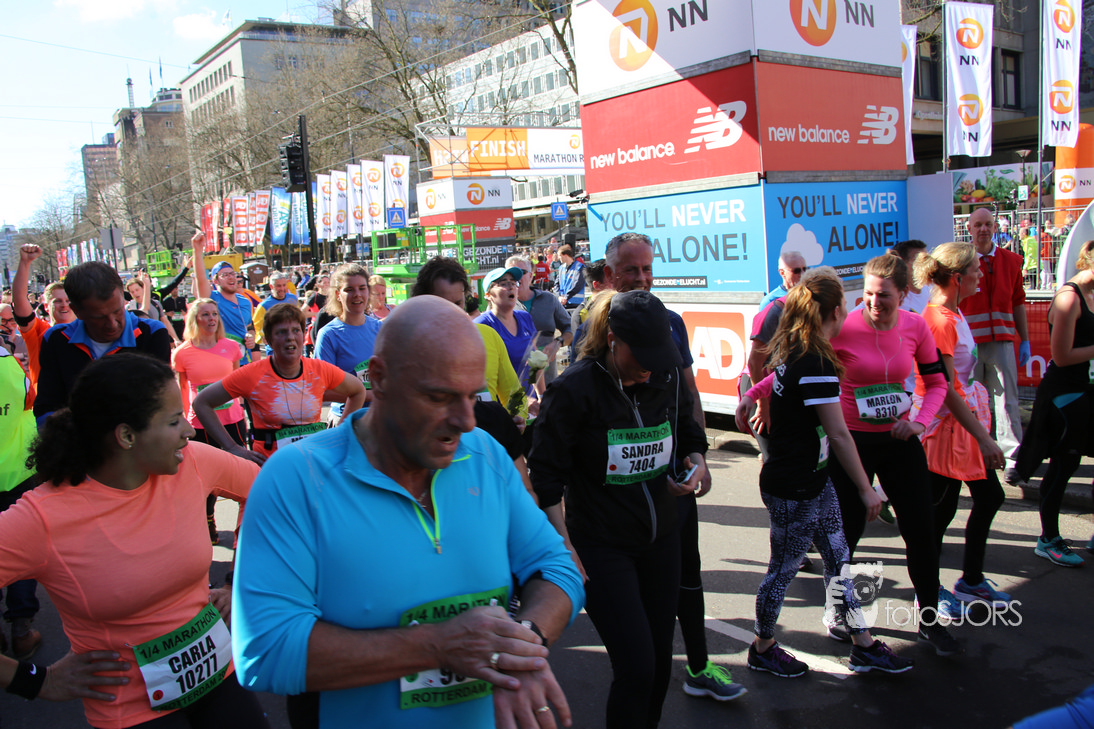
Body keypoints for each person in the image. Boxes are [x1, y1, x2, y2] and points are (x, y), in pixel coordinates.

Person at [231, 296, 583, 728]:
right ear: (379, 379)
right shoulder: (295, 478)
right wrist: (437, 646)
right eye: (439, 397)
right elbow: (265, 651)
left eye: (471, 396)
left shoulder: (485, 454)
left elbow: (557, 567)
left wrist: (521, 643)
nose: (466, 421)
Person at [0, 354, 268, 729]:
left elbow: (269, 496)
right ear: (126, 436)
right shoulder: (42, 518)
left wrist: (236, 582)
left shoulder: (190, 462)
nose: (189, 432)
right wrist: (36, 681)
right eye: (173, 421)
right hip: (130, 709)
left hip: (219, 675)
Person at [530, 290, 709, 727]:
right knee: (637, 667)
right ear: (612, 340)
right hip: (602, 546)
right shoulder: (575, 389)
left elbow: (686, 428)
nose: (649, 367)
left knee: (660, 662)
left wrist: (696, 463)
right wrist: (564, 545)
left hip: (661, 539)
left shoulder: (663, 375)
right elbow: (545, 477)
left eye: (657, 357)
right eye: (640, 357)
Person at [734, 268, 913, 677]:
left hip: (814, 480)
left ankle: (863, 644)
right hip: (793, 487)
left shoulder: (803, 350)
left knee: (838, 557)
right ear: (835, 311)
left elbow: (776, 379)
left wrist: (752, 394)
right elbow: (839, 433)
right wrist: (867, 489)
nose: (850, 310)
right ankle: (762, 648)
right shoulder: (814, 360)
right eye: (846, 303)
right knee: (783, 569)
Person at [601, 231, 727, 699]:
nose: (642, 278)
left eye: (647, 269)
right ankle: (639, 678)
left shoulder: (671, 322)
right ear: (610, 274)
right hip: (622, 493)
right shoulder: (595, 325)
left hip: (673, 479)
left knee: (687, 572)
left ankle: (699, 667)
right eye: (631, 270)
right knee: (638, 599)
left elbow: (688, 395)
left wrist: (699, 457)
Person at [826, 255, 961, 654]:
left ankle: (930, 620)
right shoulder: (844, 327)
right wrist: (759, 394)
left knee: (922, 531)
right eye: (868, 293)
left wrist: (920, 422)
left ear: (903, 294)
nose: (873, 302)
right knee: (846, 535)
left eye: (883, 295)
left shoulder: (915, 326)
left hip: (900, 442)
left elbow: (937, 383)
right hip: (853, 444)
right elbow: (803, 368)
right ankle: (839, 611)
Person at [912, 243, 1010, 604]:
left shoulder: (954, 314)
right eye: (976, 270)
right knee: (939, 514)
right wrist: (984, 438)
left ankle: (970, 581)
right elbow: (946, 391)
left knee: (988, 497)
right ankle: (929, 591)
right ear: (957, 278)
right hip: (942, 430)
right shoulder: (939, 322)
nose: (981, 274)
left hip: (960, 427)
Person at [193, 303, 366, 464]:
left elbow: (358, 391)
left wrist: (338, 435)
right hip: (269, 467)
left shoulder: (319, 369)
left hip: (310, 464)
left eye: (296, 330)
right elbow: (201, 403)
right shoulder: (252, 374)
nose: (290, 337)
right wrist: (232, 447)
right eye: (281, 332)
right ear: (268, 340)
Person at [1014, 239, 1094, 567]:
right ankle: (1048, 539)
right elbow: (1061, 356)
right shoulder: (1068, 297)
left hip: (1088, 391)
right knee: (1064, 467)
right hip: (1066, 396)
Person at [34, 261, 172, 422]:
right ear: (77, 311)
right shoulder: (56, 339)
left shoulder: (152, 334)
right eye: (99, 317)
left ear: (123, 297)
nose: (112, 324)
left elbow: (161, 405)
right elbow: (46, 409)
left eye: (117, 311)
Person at [958, 207, 1030, 484]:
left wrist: (1025, 339)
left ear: (996, 226)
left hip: (1002, 341)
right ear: (969, 228)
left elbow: (1018, 301)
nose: (983, 229)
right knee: (971, 401)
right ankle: (975, 453)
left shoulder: (1012, 261)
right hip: (970, 345)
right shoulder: (962, 262)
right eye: (978, 225)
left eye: (988, 224)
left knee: (1007, 400)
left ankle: (1011, 458)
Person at [172, 298, 248, 545]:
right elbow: (183, 390)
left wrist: (243, 410)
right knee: (205, 478)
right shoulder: (182, 353)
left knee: (243, 472)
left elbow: (237, 382)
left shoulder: (231, 347)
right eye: (205, 314)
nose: (211, 319)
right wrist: (182, 421)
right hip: (200, 424)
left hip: (233, 420)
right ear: (194, 320)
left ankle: (245, 528)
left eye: (214, 314)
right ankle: (207, 520)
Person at [0, 342, 41, 660]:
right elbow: (29, 400)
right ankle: (22, 630)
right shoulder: (8, 363)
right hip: (15, 472)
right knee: (22, 548)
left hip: (16, 473)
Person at [315, 263, 383, 423]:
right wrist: (368, 394)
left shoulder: (380, 328)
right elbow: (321, 390)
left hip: (380, 419)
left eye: (362, 288)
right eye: (349, 289)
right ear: (338, 294)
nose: (357, 294)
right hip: (347, 420)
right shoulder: (328, 335)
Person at [12, 244, 77, 388]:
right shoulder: (38, 331)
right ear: (46, 306)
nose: (64, 305)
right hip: (46, 400)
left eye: (68, 301)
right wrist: (25, 263)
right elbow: (19, 300)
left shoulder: (88, 330)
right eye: (57, 301)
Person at [509, 255, 572, 392]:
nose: (516, 278)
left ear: (531, 276)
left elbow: (570, 328)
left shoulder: (548, 299)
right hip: (514, 386)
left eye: (522, 272)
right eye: (511, 275)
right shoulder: (502, 305)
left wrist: (558, 342)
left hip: (548, 382)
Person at [475, 266, 538, 402]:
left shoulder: (525, 317)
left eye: (513, 283)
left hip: (531, 406)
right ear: (488, 295)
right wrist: (523, 400)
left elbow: (535, 361)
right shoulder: (481, 325)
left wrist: (542, 396)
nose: (511, 287)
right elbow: (481, 377)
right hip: (501, 407)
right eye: (503, 283)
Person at [191, 232, 255, 365]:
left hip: (244, 360)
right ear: (216, 281)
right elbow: (201, 279)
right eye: (225, 275)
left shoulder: (245, 301)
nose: (231, 277)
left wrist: (251, 337)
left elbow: (249, 327)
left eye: (232, 274)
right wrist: (197, 251)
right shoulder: (211, 299)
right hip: (220, 361)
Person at [125, 270, 182, 346]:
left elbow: (165, 321)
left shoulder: (155, 303)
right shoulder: (130, 308)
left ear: (142, 288)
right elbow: (144, 309)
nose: (135, 293)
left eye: (137, 290)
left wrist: (176, 339)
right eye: (132, 292)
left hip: (158, 341)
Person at [252, 271, 299, 349]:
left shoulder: (292, 298)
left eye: (284, 285)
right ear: (271, 286)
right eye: (278, 286)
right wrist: (262, 336)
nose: (282, 288)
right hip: (275, 346)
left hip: (292, 342)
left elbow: (298, 317)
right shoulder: (264, 306)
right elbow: (256, 326)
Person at [555, 245, 585, 310]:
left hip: (575, 303)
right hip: (562, 303)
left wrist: (566, 297)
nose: (559, 258)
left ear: (565, 255)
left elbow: (578, 285)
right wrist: (559, 296)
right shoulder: (561, 268)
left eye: (560, 255)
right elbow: (556, 285)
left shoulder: (579, 267)